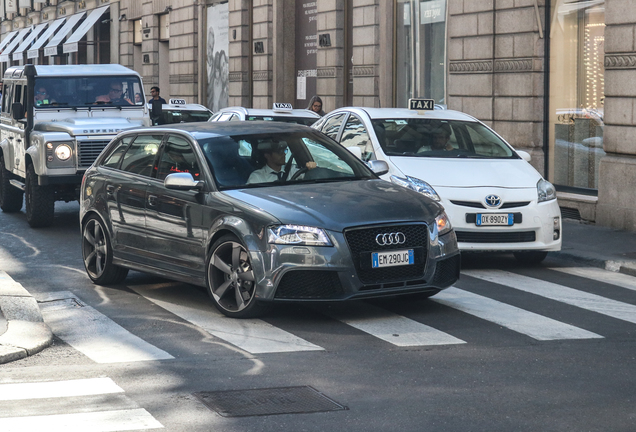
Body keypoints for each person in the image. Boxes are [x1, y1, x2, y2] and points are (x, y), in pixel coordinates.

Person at [247, 140, 317, 184]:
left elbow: (311, 177)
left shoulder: (292, 170)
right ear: (267, 156)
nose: (284, 154)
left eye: (284, 151)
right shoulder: (257, 177)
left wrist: (312, 169)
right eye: (279, 152)